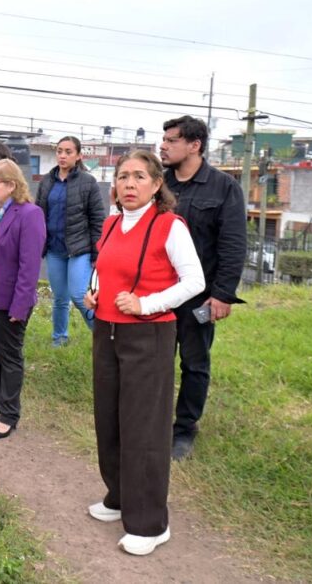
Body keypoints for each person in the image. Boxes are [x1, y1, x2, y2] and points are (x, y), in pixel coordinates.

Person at [83, 149, 204, 556]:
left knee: (144, 428)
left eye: (138, 176)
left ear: (156, 184)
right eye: (122, 176)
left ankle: (151, 523)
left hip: (148, 335)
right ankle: (119, 497)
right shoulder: (112, 223)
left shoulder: (170, 226)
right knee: (110, 419)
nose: (129, 184)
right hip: (107, 331)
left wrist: (146, 304)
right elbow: (104, 267)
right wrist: (95, 291)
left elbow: (194, 281)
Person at [159, 115, 246, 461]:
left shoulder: (223, 187)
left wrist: (222, 294)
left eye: (172, 140)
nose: (163, 146)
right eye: (164, 139)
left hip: (199, 296)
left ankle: (184, 429)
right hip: (159, 295)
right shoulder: (159, 184)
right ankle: (153, 422)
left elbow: (233, 244)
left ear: (195, 145)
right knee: (156, 362)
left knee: (194, 364)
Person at [0, 159, 45, 440]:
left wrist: (20, 305)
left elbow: (30, 266)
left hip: (11, 300)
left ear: (12, 185)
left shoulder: (30, 214)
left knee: (9, 357)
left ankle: (10, 414)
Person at [36, 136, 106, 347]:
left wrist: (97, 252)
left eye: (68, 152)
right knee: (60, 298)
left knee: (78, 294)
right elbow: (38, 214)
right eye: (59, 151)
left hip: (79, 249)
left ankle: (104, 336)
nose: (62, 156)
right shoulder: (47, 181)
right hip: (54, 249)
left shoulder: (88, 182)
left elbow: (97, 219)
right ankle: (59, 338)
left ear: (78, 155)